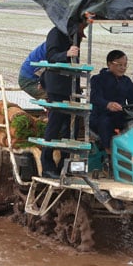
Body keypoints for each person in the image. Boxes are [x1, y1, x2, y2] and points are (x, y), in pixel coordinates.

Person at [40, 21, 86, 179]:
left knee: (71, 127)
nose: (84, 28)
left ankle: (65, 166)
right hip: (57, 87)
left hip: (72, 87)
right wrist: (66, 54)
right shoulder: (56, 33)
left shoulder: (74, 36)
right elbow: (51, 57)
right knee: (55, 124)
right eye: (83, 24)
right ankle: (47, 166)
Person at [89, 50, 133, 155]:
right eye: (119, 65)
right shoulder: (98, 79)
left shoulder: (127, 81)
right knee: (105, 122)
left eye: (125, 65)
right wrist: (108, 104)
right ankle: (109, 152)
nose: (123, 68)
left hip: (120, 114)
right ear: (109, 64)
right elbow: (95, 97)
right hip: (100, 114)